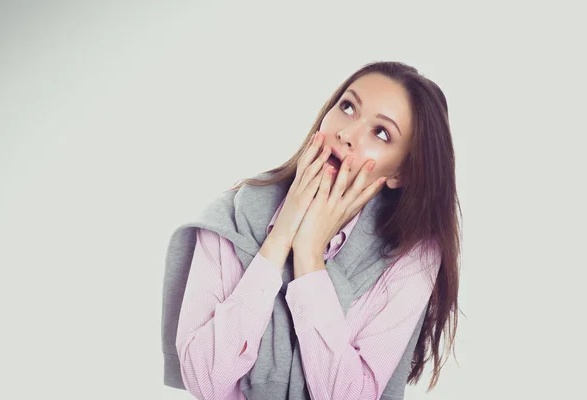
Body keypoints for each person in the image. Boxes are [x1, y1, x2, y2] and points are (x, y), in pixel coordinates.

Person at [163, 61, 461, 399]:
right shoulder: (232, 216)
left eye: (381, 133)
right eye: (348, 107)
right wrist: (279, 240)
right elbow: (204, 379)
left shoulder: (411, 254)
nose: (346, 135)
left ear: (401, 173)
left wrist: (309, 253)